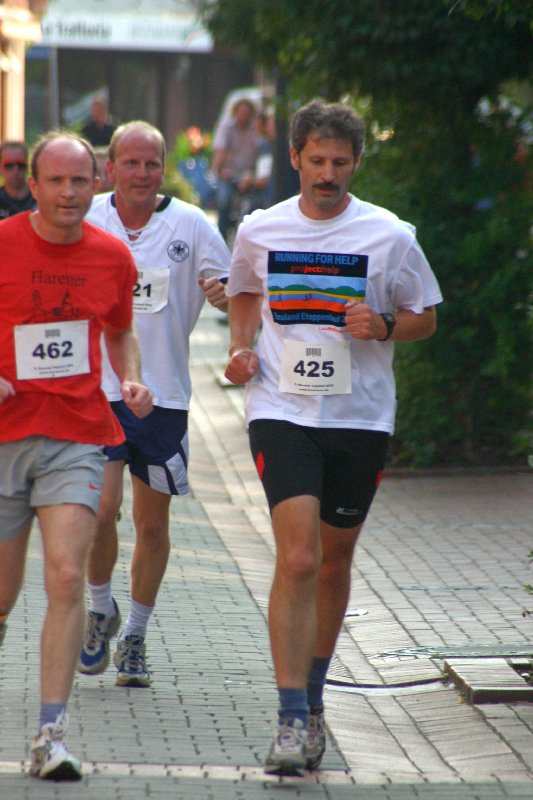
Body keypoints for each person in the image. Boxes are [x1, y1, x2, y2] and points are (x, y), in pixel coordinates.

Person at [224, 100, 443, 777]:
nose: (326, 174)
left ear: (355, 164)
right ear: (294, 157)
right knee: (297, 558)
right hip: (281, 409)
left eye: (339, 162)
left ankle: (314, 700)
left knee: (332, 562)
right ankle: (290, 716)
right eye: (316, 160)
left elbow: (425, 316)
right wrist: (239, 348)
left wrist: (383, 326)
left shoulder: (390, 235)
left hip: (359, 417)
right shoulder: (261, 228)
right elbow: (242, 291)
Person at [0, 131, 153, 781]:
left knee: (66, 577)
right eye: (56, 181)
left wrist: (132, 377)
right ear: (33, 186)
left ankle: (50, 737)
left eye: (80, 181)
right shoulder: (3, 243)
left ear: (98, 184)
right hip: (4, 436)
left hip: (77, 434)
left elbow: (120, 331)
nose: (69, 192)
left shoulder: (112, 257)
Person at [77, 121, 230, 688]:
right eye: (131, 163)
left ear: (163, 168)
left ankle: (135, 636)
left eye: (151, 164)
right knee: (100, 510)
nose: (141, 174)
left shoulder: (190, 224)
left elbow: (236, 289)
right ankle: (100, 610)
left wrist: (223, 294)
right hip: (98, 391)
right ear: (109, 168)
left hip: (163, 396)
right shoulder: (88, 217)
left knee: (152, 523)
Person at [211, 97, 259, 241]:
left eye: (247, 113)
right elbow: (220, 149)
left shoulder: (254, 129)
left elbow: (259, 152)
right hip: (229, 173)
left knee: (255, 204)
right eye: (241, 113)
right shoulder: (227, 127)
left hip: (248, 175)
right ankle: (222, 236)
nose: (243, 117)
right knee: (224, 200)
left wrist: (251, 176)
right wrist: (217, 170)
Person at [0, 141, 36, 219]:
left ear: (27, 167)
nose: (16, 170)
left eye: (21, 165)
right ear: (1, 168)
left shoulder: (40, 199)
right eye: (9, 166)